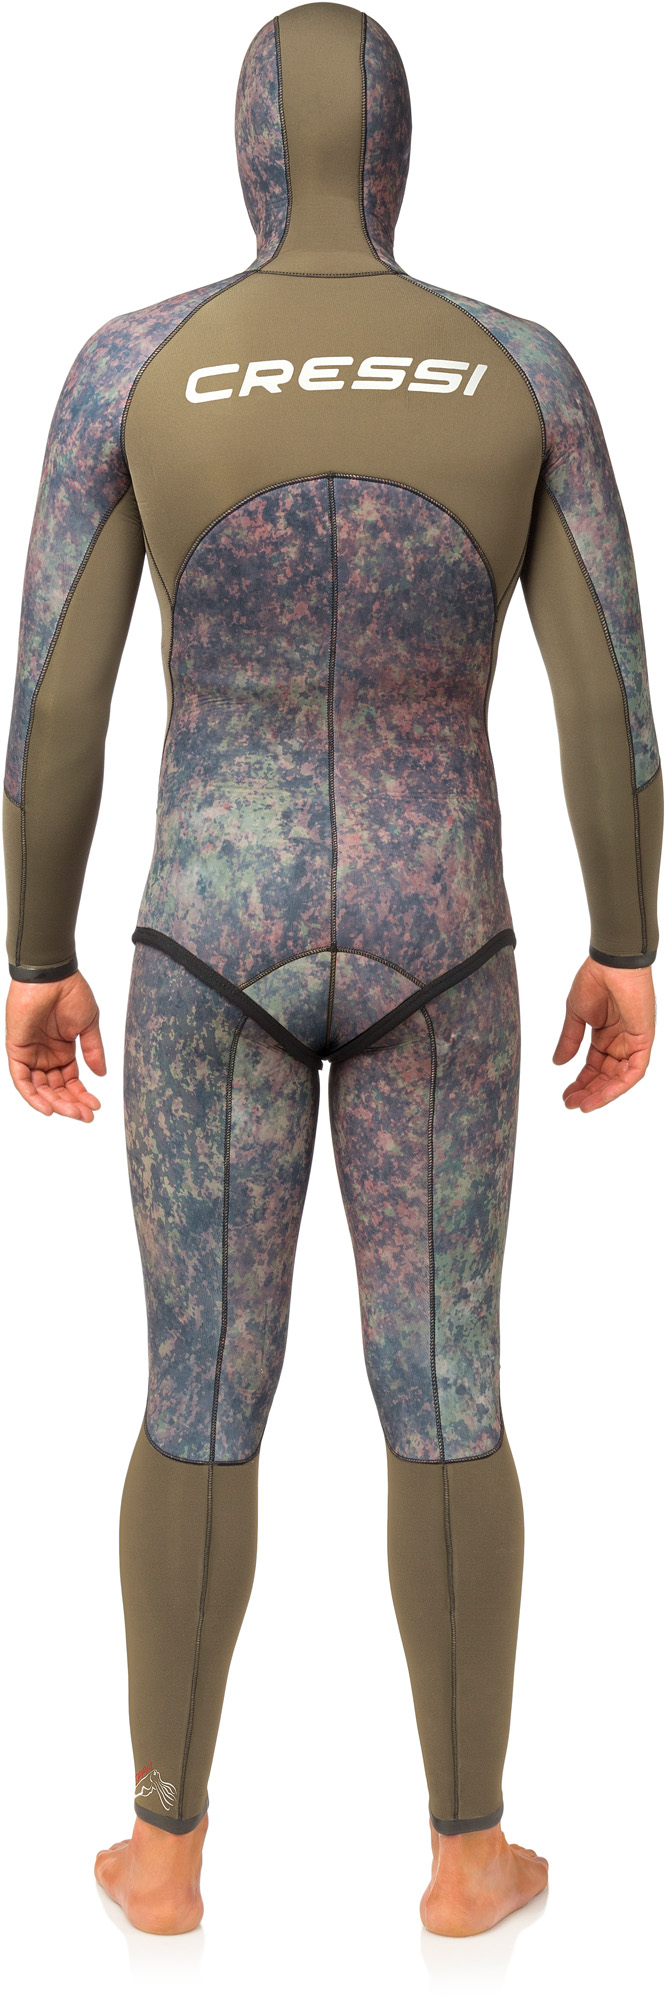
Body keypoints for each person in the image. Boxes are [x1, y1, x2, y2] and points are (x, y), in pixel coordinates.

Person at [3, 1, 660, 1942]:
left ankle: (162, 1854)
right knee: (445, 1379)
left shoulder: (133, 365)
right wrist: (629, 934)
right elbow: (610, 693)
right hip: (445, 935)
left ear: (244, 151)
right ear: (396, 153)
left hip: (206, 927)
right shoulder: (518, 366)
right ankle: (468, 1859)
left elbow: (53, 704)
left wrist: (32, 950)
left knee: (198, 1380)